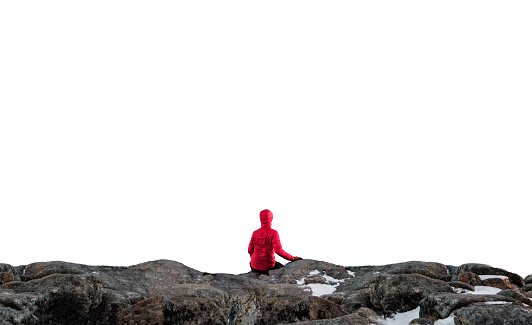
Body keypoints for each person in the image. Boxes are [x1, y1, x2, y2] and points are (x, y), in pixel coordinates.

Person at [248, 209, 302, 275]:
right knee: (280, 267)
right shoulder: (273, 233)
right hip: (268, 267)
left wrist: (256, 260)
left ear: (260, 219)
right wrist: (292, 258)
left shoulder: (255, 233)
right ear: (271, 218)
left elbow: (250, 250)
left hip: (254, 266)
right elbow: (278, 251)